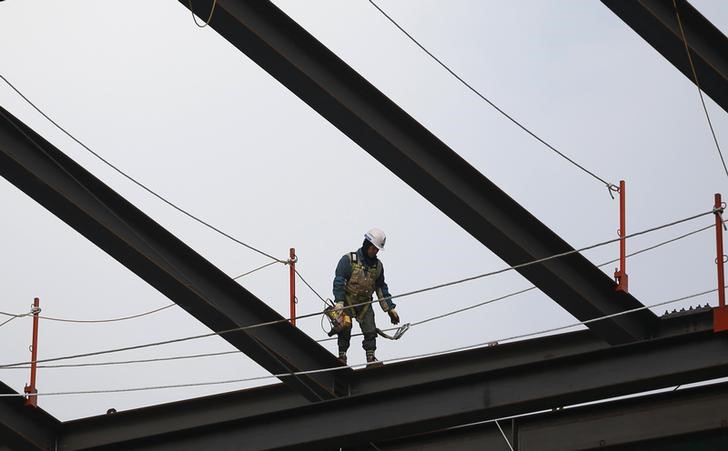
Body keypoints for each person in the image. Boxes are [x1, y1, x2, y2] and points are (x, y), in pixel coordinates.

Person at [332, 228, 400, 364]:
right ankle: (342, 356)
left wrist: (390, 309)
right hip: (348, 301)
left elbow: (381, 288)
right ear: (366, 245)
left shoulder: (378, 267)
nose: (375, 251)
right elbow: (339, 280)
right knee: (345, 327)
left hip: (365, 304)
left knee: (370, 330)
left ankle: (371, 358)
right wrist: (339, 302)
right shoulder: (349, 260)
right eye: (373, 248)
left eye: (377, 249)